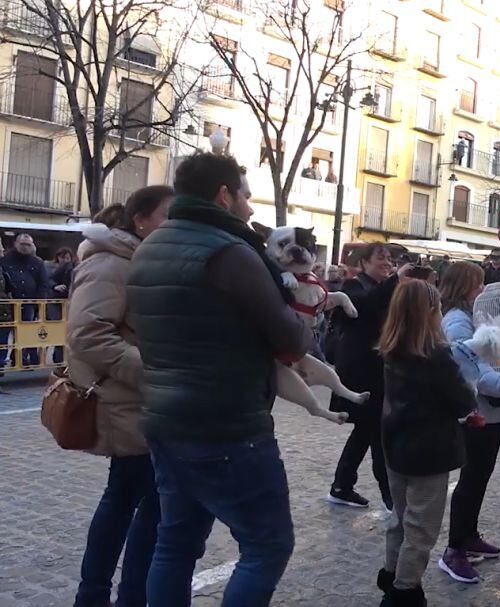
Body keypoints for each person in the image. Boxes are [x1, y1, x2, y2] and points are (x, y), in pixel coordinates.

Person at [126, 153, 311, 606]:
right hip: (227, 425)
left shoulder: (150, 245)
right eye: (245, 196)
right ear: (224, 195)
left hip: (166, 419)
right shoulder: (230, 251)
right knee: (267, 545)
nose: (250, 209)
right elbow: (290, 338)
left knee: (175, 542)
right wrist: (305, 313)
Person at [69, 187, 173, 607]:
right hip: (128, 402)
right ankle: (114, 596)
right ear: (140, 220)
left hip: (142, 403)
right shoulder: (112, 263)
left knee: (132, 499)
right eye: (168, 215)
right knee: (143, 502)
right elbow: (88, 334)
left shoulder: (139, 261)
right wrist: (152, 375)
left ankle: (100, 596)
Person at [376, 280, 479, 607]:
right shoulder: (435, 354)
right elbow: (463, 400)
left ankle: (391, 574)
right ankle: (404, 592)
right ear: (429, 312)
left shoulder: (392, 346)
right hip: (429, 451)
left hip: (396, 444)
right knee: (420, 529)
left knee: (399, 518)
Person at [436, 261, 500, 583]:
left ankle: (468, 536)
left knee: (480, 476)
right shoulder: (457, 323)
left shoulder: (471, 317)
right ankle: (453, 551)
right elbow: (474, 373)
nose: (482, 289)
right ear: (462, 286)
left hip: (489, 412)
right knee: (471, 479)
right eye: (477, 284)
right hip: (475, 412)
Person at [328, 243, 413, 510]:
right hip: (361, 372)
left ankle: (342, 486)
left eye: (390, 259)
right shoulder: (353, 287)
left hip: (378, 368)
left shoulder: (385, 289)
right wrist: (395, 281)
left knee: (366, 430)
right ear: (363, 263)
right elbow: (365, 307)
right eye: (381, 258)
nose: (387, 263)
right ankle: (390, 498)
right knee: (376, 431)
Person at [1, 233, 51, 367]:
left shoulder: (37, 262)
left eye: (28, 245)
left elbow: (43, 284)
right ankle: (3, 363)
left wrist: (38, 303)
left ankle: (21, 360)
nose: (25, 247)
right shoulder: (5, 259)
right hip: (7, 305)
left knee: (26, 334)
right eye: (22, 244)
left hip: (29, 304)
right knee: (4, 335)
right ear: (16, 244)